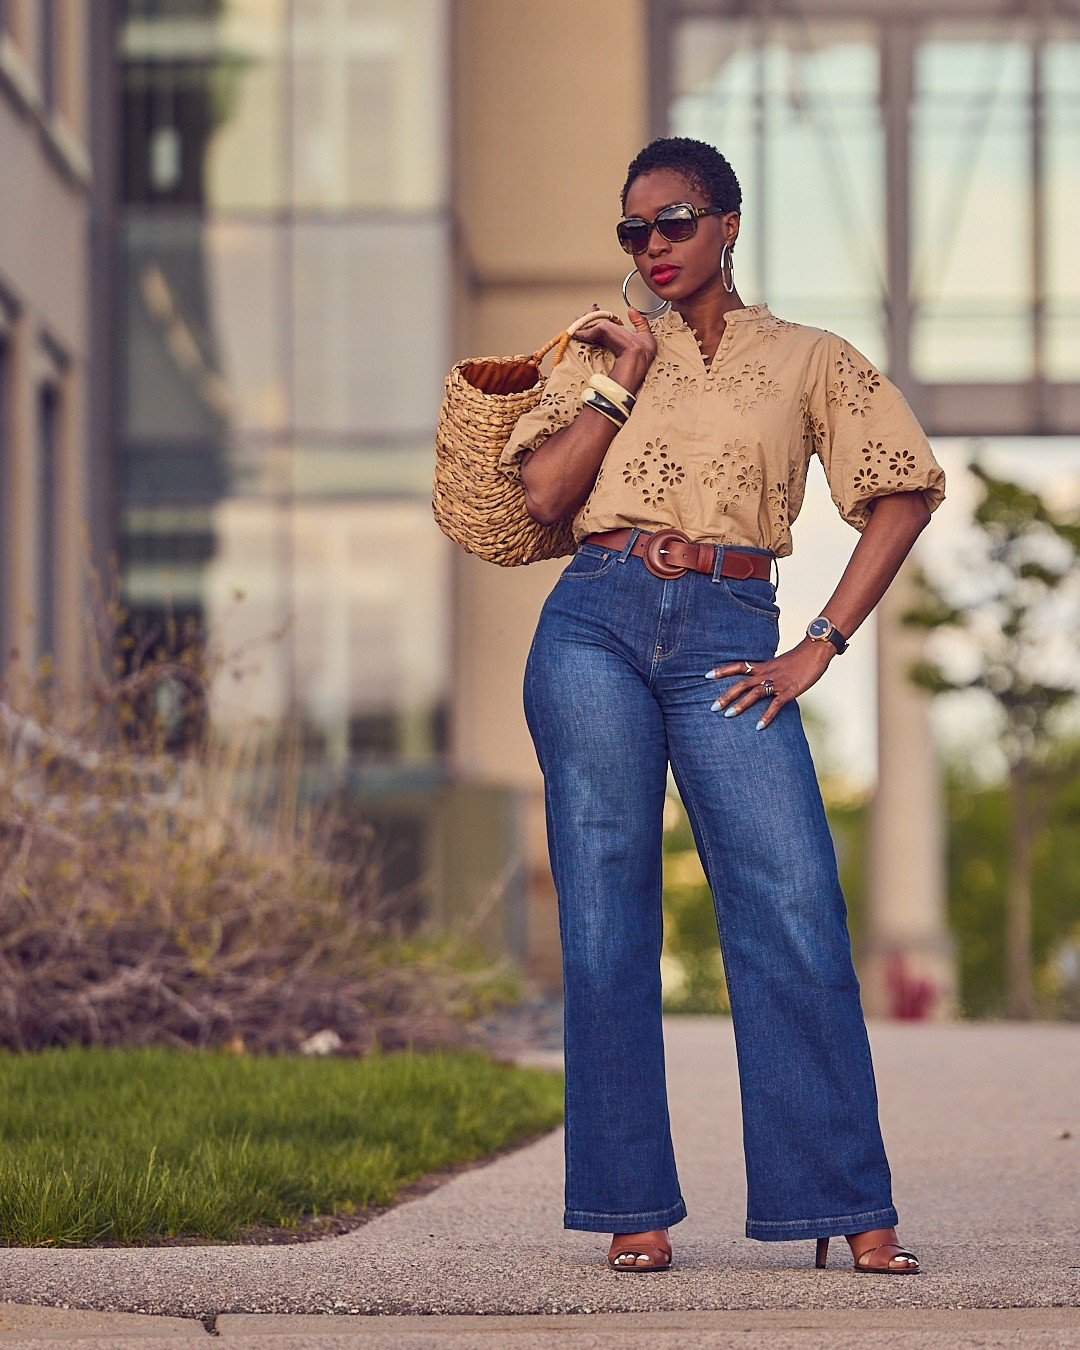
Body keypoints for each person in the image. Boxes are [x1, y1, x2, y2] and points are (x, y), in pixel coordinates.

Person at [497, 136, 945, 1274]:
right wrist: (619, 379)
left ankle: (848, 1201)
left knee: (792, 902)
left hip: (734, 637)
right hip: (593, 620)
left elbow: (900, 491)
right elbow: (546, 491)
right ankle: (627, 1202)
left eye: (675, 221)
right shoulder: (602, 346)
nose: (652, 247)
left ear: (730, 224)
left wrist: (822, 643)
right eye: (634, 230)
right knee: (604, 916)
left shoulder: (810, 360)